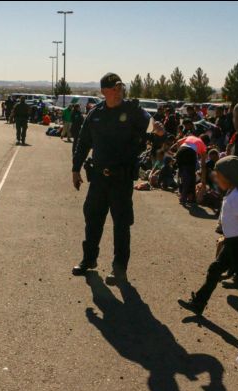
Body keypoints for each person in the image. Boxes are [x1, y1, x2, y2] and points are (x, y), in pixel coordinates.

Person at [71, 73, 150, 285]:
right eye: (114, 88)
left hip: (121, 180)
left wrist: (158, 133)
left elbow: (152, 128)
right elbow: (83, 142)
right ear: (104, 91)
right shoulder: (95, 114)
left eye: (120, 87)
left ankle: (119, 268)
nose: (118, 91)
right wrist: (75, 168)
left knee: (121, 225)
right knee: (92, 220)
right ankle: (89, 260)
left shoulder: (133, 112)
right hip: (98, 179)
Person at [178, 156, 238, 316]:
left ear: (231, 176)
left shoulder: (237, 196)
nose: (216, 177)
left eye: (219, 174)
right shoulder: (232, 192)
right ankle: (198, 303)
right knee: (216, 270)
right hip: (233, 242)